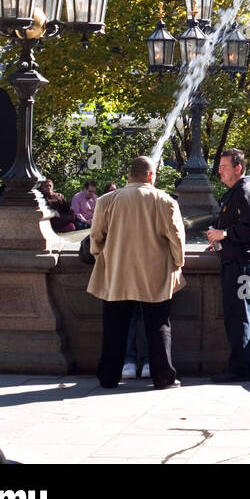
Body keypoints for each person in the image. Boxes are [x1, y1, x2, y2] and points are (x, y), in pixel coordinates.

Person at [86, 156, 186, 389]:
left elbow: (95, 238)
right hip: (154, 273)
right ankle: (163, 377)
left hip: (117, 272)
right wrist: (178, 263)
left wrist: (101, 256)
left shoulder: (106, 200)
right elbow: (177, 239)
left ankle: (108, 377)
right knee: (159, 325)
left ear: (129, 175)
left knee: (114, 327)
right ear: (151, 176)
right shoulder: (165, 200)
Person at [206, 148, 250, 383]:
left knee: (239, 315)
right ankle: (245, 366)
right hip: (235, 262)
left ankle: (239, 369)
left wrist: (224, 233)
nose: (219, 171)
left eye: (224, 167)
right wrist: (221, 240)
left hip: (242, 265)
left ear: (238, 168)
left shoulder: (246, 191)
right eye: (219, 167)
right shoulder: (236, 192)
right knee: (237, 314)